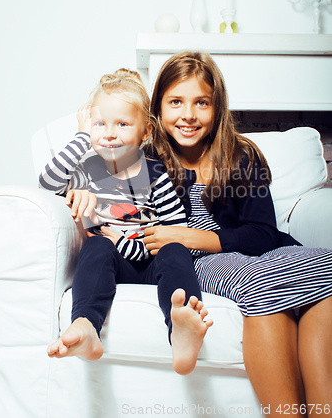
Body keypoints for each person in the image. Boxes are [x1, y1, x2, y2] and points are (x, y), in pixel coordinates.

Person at [142, 51, 332, 416]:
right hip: (200, 265)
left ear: (217, 107)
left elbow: (263, 233)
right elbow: (105, 196)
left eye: (202, 103)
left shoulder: (240, 154)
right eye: (176, 102)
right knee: (258, 281)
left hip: (258, 250)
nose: (188, 115)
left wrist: (194, 235)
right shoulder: (143, 160)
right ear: (158, 107)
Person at [39, 68, 212, 375]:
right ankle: (86, 325)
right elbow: (47, 182)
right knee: (96, 249)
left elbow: (176, 232)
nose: (109, 133)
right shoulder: (88, 171)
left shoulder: (155, 174)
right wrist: (82, 138)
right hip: (111, 263)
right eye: (100, 124)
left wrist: (127, 244)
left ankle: (181, 326)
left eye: (122, 124)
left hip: (149, 262)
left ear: (145, 133)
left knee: (176, 250)